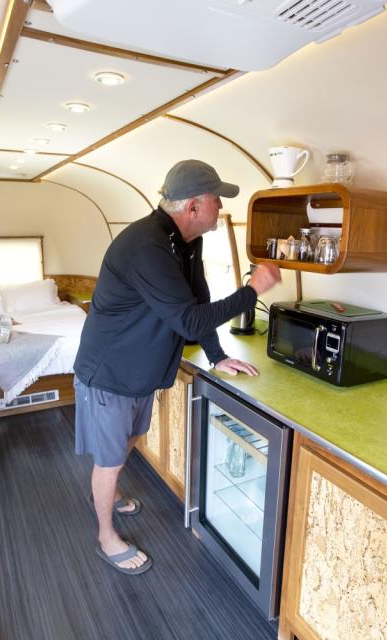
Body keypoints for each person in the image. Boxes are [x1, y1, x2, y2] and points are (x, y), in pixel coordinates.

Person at [73, 159, 282, 575]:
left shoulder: (188, 242)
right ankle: (105, 535)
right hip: (110, 371)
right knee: (111, 459)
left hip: (140, 371)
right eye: (216, 201)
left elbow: (197, 300)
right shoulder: (145, 245)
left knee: (130, 439)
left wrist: (218, 354)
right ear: (192, 207)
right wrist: (252, 289)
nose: (220, 210)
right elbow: (187, 320)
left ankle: (109, 495)